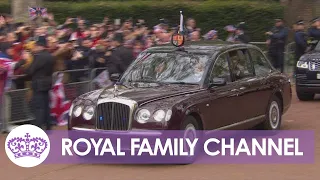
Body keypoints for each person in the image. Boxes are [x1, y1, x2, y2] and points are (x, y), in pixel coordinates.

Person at [15, 36, 54, 130]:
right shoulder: (50, 55)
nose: (34, 47)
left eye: (36, 45)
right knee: (46, 106)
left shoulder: (39, 56)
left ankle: (38, 128)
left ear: (40, 46)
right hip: (47, 83)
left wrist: (25, 61)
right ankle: (48, 126)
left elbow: (30, 71)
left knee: (38, 107)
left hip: (38, 84)